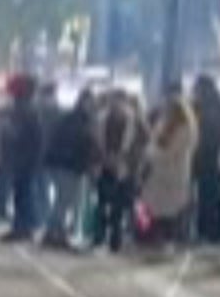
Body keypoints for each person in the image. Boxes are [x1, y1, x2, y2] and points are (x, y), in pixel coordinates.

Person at [142, 86, 199, 249]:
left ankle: (168, 238)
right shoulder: (164, 125)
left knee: (170, 209)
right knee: (156, 208)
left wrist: (152, 154)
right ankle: (154, 237)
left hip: (172, 173)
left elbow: (171, 152)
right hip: (160, 174)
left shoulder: (185, 130)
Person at [41, 88, 98, 250]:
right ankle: (54, 233)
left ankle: (54, 232)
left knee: (63, 200)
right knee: (64, 200)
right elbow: (82, 144)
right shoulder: (80, 122)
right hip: (67, 165)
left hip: (62, 164)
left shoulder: (71, 118)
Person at [93, 90, 147, 255]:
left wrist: (127, 161)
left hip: (125, 168)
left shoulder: (135, 121)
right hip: (104, 166)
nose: (115, 106)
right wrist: (101, 159)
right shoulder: (101, 119)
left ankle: (115, 240)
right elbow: (95, 142)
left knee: (119, 205)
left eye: (118, 102)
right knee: (101, 202)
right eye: (112, 102)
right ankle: (99, 237)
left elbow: (141, 145)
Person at [0, 75, 45, 240]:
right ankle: (24, 227)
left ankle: (22, 228)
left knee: (23, 194)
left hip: (23, 159)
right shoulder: (28, 109)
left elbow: (20, 134)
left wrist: (8, 131)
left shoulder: (24, 110)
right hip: (26, 159)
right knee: (23, 193)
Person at [192, 75, 220, 248]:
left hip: (207, 161)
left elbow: (205, 140)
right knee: (213, 197)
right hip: (219, 161)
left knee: (207, 197)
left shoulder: (204, 112)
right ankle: (216, 232)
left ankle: (208, 232)